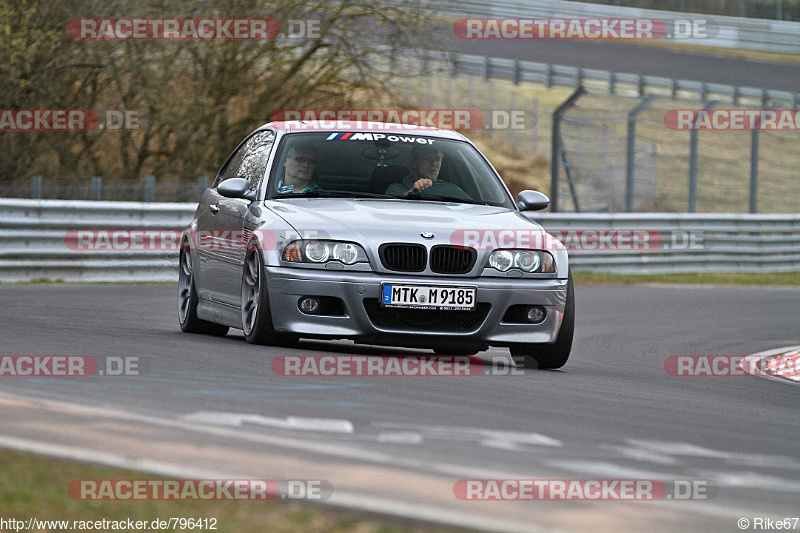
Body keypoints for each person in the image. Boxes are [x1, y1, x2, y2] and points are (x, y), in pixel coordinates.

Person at [384, 144, 470, 200]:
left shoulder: (453, 190)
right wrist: (412, 192)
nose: (434, 163)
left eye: (437, 159)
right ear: (414, 163)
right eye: (427, 158)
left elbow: (471, 209)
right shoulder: (398, 188)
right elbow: (390, 209)